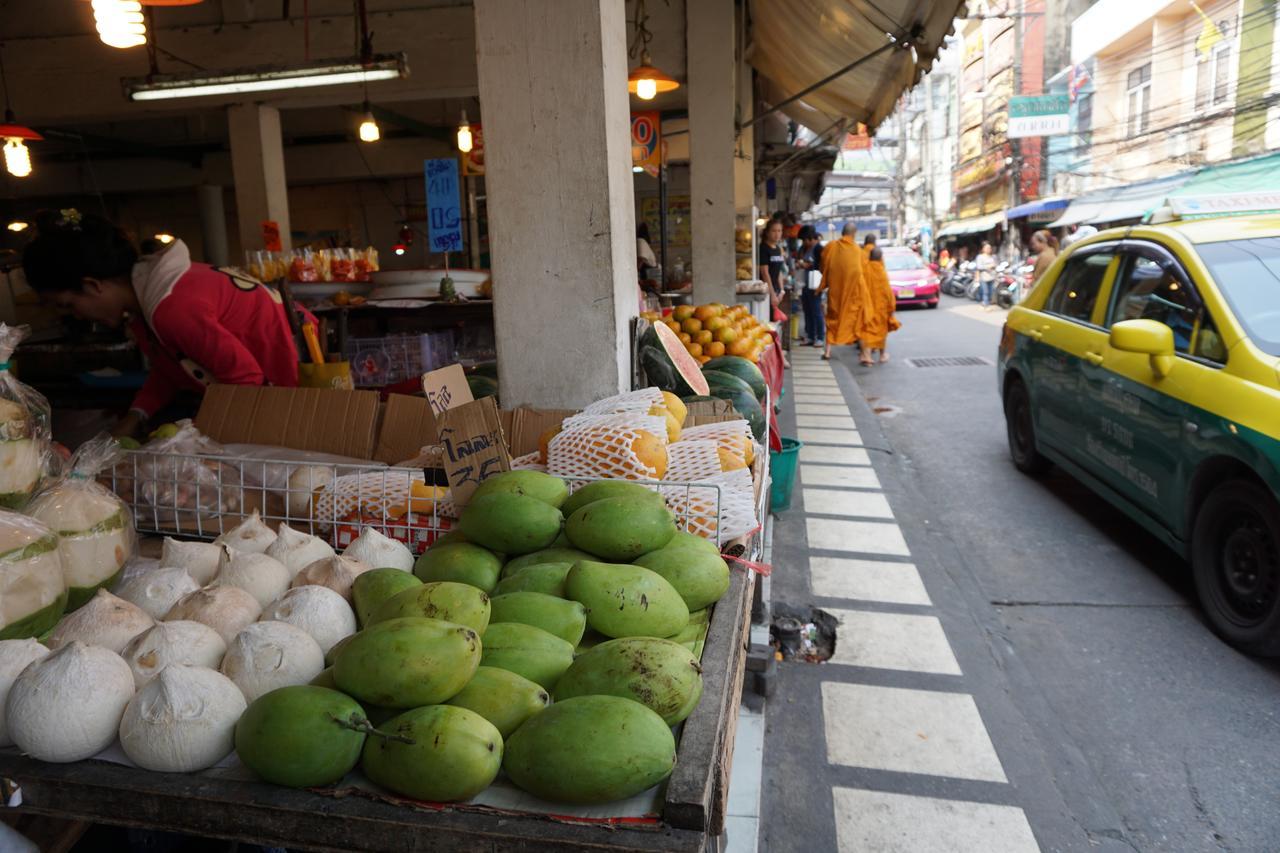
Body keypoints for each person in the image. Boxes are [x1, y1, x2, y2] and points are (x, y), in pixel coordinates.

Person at [22, 209, 311, 439]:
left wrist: (191, 436)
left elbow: (245, 380)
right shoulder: (147, 305)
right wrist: (137, 415)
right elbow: (170, 369)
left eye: (69, 305)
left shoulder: (171, 308)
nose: (77, 316)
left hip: (303, 383)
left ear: (93, 285)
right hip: (278, 389)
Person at [818, 223, 867, 362]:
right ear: (854, 234)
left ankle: (827, 352)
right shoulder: (857, 250)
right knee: (857, 322)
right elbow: (861, 272)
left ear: (842, 232)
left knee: (832, 319)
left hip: (835, 292)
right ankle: (864, 355)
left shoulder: (831, 246)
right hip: (853, 295)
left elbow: (824, 266)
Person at [860, 247, 901, 364]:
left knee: (867, 331)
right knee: (881, 331)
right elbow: (887, 292)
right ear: (881, 258)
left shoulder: (865, 269)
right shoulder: (881, 271)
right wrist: (892, 307)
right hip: (880, 308)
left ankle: (866, 356)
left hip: (867, 307)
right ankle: (882, 355)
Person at [796, 226, 825, 347]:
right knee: (807, 310)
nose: (804, 243)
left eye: (804, 240)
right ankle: (810, 336)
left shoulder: (819, 249)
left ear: (810, 239)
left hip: (816, 285)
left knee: (816, 311)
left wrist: (810, 265)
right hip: (805, 284)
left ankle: (820, 337)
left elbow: (822, 266)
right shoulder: (804, 249)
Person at [975, 240, 997, 310]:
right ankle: (986, 305)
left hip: (992, 277)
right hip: (984, 277)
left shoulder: (993, 257)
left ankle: (985, 303)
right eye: (987, 248)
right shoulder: (980, 257)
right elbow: (978, 267)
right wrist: (988, 267)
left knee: (991, 292)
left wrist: (994, 266)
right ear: (983, 249)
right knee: (985, 292)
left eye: (989, 248)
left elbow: (996, 264)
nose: (989, 250)